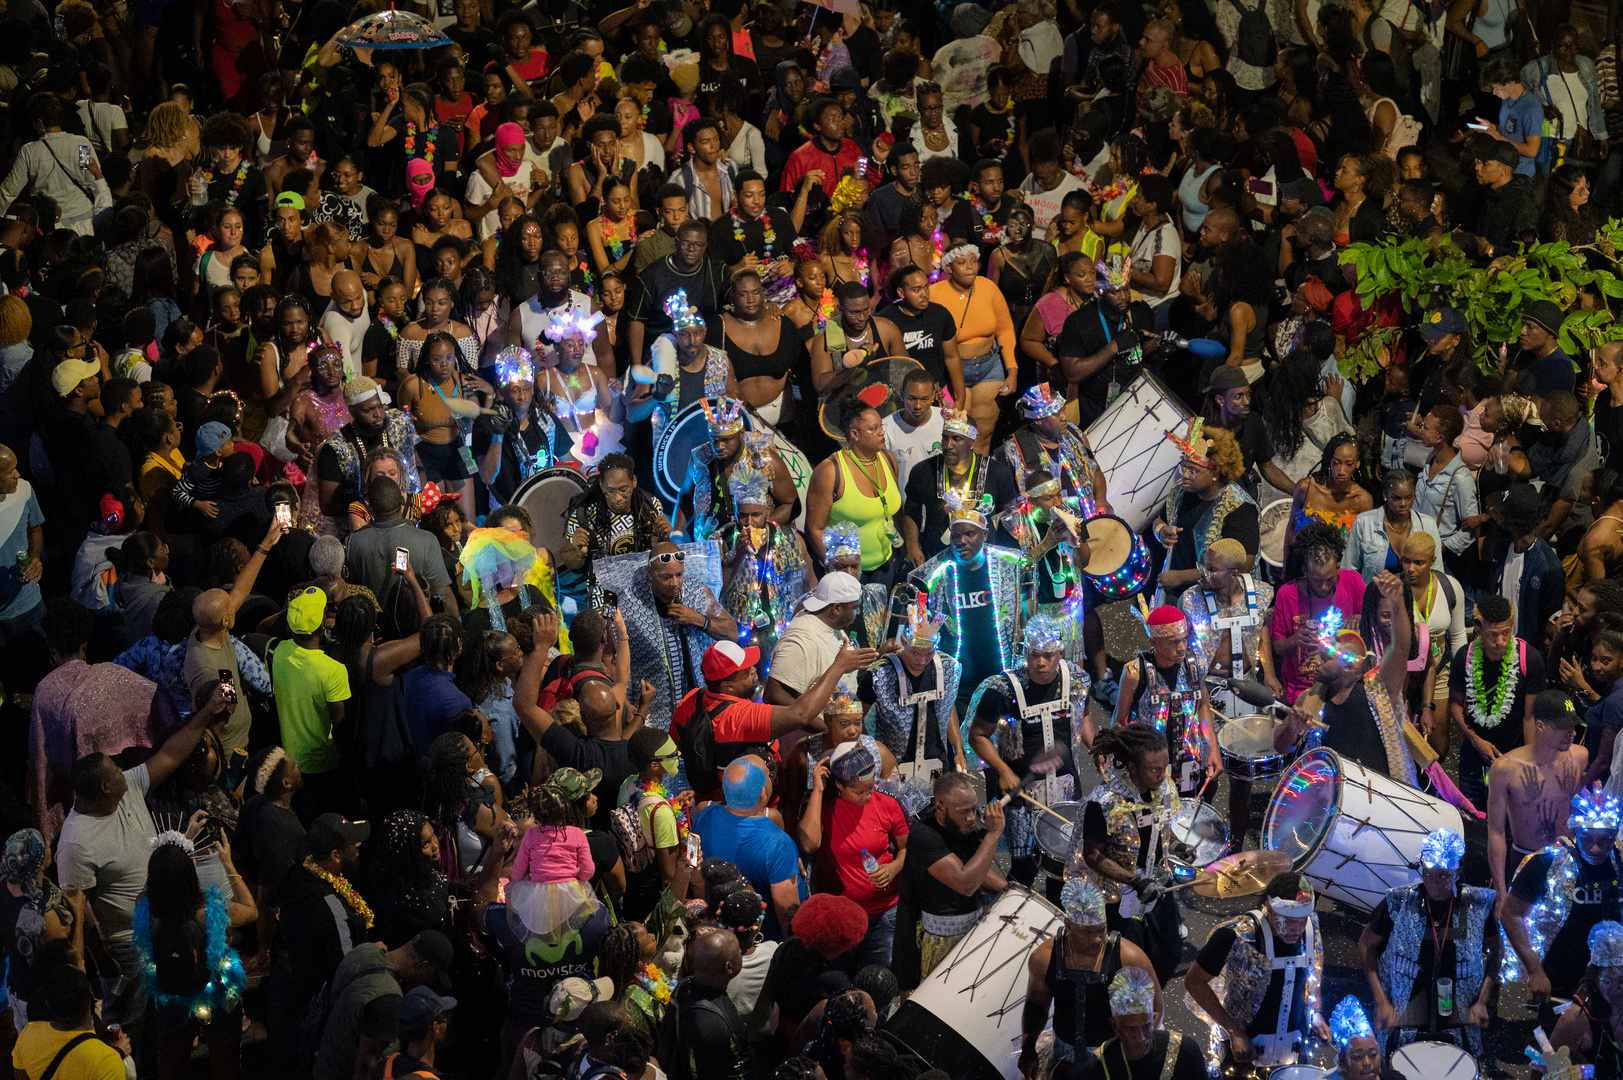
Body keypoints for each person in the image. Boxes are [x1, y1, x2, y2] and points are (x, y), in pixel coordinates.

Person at [55, 682, 229, 1037]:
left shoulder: (126, 789)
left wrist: (208, 713)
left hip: (165, 926)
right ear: (104, 788)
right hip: (129, 946)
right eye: (116, 772)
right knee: (129, 1023)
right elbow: (78, 911)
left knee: (169, 1017)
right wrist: (105, 963)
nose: (125, 771)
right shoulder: (76, 843)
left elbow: (171, 754)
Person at [968, 614, 1093, 897]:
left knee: (1064, 863)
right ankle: (1012, 920)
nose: (1040, 663)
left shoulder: (1078, 680)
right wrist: (1003, 769)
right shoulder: (1003, 689)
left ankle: (1057, 928)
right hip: (1021, 793)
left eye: (1048, 655)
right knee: (1024, 866)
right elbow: (977, 735)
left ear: (1060, 652)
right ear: (1025, 652)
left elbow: (1084, 716)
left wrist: (1095, 748)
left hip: (1065, 788)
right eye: (1034, 655)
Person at [1358, 827, 1497, 1053]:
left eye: (1444, 875)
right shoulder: (1399, 901)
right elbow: (1366, 945)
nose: (1434, 882)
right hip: (1402, 1021)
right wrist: (1382, 1002)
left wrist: (1483, 1000)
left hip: (1460, 1024)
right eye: (1428, 873)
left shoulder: (1477, 904)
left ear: (1458, 871)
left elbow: (1496, 950)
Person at [1274, 572, 1420, 786]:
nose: (1316, 660)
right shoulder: (1310, 698)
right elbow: (1280, 746)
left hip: (1385, 800)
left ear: (1350, 665)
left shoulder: (1379, 690)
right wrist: (1293, 727)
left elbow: (1399, 648)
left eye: (1326, 657)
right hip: (1333, 804)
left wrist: (1397, 602)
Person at [1504, 784, 1623, 1032]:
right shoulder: (1546, 862)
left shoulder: (1620, 860)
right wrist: (1535, 971)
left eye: (1606, 840)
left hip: (1607, 984)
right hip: (1555, 982)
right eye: (1587, 839)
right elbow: (1510, 914)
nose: (1596, 848)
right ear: (1575, 829)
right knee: (1553, 1060)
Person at [1186, 873, 1332, 1071]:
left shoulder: (1310, 927)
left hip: (1295, 1051)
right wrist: (1233, 1030)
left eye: (1302, 919)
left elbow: (1314, 972)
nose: (1297, 928)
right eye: (1288, 920)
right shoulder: (1235, 935)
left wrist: (1316, 1014)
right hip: (1245, 1051)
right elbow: (1194, 981)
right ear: (1270, 910)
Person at [1021, 879, 1162, 1075]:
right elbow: (1037, 1005)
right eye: (1087, 931)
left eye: (1101, 930)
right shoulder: (1044, 958)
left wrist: (1136, 1053)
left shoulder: (1130, 959)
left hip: (1112, 1063)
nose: (1096, 939)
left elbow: (1155, 1010)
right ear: (1068, 925)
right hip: (1064, 1060)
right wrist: (1028, 1047)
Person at [911, 492, 1027, 722]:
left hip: (1002, 670)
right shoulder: (934, 573)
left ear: (984, 535)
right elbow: (918, 615)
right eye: (956, 535)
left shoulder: (1010, 563)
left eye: (969, 534)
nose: (961, 541)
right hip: (960, 678)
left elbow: (1027, 595)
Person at [797, 741, 909, 966]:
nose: (868, 795)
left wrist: (894, 867)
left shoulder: (887, 804)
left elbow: (907, 848)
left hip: (883, 914)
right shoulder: (820, 806)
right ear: (839, 785)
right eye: (859, 791)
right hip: (840, 917)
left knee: (878, 978)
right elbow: (809, 845)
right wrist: (818, 790)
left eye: (871, 787)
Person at [893, 772, 1006, 991]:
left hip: (973, 930)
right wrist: (993, 835)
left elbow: (979, 871)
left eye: (974, 809)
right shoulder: (924, 836)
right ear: (940, 806)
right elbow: (966, 883)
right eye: (964, 812)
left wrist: (1011, 890)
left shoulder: (965, 829)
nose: (971, 818)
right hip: (939, 942)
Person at [312, 930, 455, 1080]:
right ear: (422, 966)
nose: (428, 982)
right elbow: (366, 1067)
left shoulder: (365, 950)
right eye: (431, 976)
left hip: (323, 1063)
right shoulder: (388, 999)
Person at [1449, 593, 1544, 814]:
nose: (1500, 641)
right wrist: (1475, 740)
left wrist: (1527, 762)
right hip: (1473, 756)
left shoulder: (1529, 659)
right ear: (1479, 628)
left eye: (1505, 633)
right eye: (1492, 635)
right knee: (1473, 815)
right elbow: (1454, 705)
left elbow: (1530, 717)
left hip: (1513, 755)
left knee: (1511, 818)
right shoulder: (1465, 657)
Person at [1114, 604, 1222, 798]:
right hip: (1150, 768)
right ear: (1154, 642)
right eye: (1173, 643)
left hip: (1190, 762)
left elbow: (1202, 705)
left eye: (1184, 640)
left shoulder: (1196, 666)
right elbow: (1120, 722)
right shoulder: (1134, 673)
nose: (1181, 648)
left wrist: (1213, 749)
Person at [694, 756, 805, 940]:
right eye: (768, 776)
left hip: (717, 939)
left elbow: (695, 877)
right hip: (760, 944)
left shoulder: (704, 816)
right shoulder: (778, 843)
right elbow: (787, 915)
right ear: (763, 793)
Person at [1488, 690, 1586, 897]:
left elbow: (1578, 809)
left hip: (1568, 860)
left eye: (1573, 727)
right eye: (1563, 728)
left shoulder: (1579, 757)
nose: (1572, 733)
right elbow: (1496, 832)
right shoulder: (1505, 768)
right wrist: (1500, 891)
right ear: (1539, 725)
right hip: (1525, 859)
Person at [903, 403, 1018, 565]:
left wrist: (1005, 557)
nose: (948, 445)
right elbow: (910, 512)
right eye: (945, 438)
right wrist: (913, 546)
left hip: (984, 562)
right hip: (938, 559)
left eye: (957, 439)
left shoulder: (996, 473)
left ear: (972, 441)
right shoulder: (923, 471)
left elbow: (1010, 517)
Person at [1154, 421, 1259, 598]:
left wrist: (1181, 577)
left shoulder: (1239, 508)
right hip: (1179, 593)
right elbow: (1159, 519)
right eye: (1184, 467)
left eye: (1193, 471)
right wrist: (1160, 531)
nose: (1185, 475)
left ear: (1215, 472)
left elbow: (1241, 567)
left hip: (1219, 599)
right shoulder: (1180, 492)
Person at [1270, 522, 1370, 704]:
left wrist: (1358, 619)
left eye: (1329, 580)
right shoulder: (1287, 593)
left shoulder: (1353, 582)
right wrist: (1295, 640)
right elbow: (1278, 647)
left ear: (1339, 566)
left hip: (1342, 689)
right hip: (1301, 691)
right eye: (1316, 581)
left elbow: (1373, 628)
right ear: (1304, 571)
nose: (1324, 587)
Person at [12, 966, 132, 1080]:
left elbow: (21, 1076)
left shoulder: (29, 1033)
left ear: (48, 1003)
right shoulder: (107, 1061)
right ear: (90, 996)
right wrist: (118, 1054)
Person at [673, 928, 755, 1078]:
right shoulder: (713, 1024)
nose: (741, 953)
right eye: (738, 952)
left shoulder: (683, 987)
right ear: (728, 967)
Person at [1344, 469, 1442, 583]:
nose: (1403, 504)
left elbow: (1437, 572)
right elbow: (1349, 569)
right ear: (1385, 495)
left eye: (1408, 497)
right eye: (1396, 498)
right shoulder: (1364, 523)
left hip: (1416, 599)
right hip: (1375, 598)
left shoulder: (1427, 525)